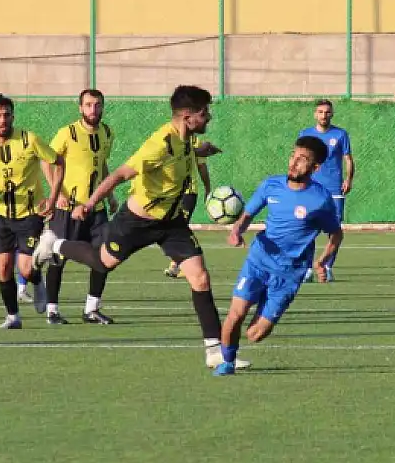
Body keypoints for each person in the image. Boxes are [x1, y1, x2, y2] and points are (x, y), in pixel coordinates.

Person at [34, 85, 248, 369]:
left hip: (171, 223)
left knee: (200, 278)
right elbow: (121, 173)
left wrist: (203, 148)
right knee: (102, 262)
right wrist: (90, 203)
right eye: (203, 112)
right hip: (137, 221)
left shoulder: (186, 138)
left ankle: (213, 351)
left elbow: (189, 150)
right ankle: (54, 244)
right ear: (187, 116)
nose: (208, 117)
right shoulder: (159, 144)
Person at [212, 136, 343, 376]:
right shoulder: (270, 186)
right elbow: (248, 214)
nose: (294, 162)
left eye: (302, 160)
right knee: (235, 314)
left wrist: (322, 261)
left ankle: (264, 313)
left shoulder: (321, 200)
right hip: (258, 261)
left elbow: (336, 234)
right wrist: (236, 231)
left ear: (315, 168)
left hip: (289, 274)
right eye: (293, 155)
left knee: (255, 335)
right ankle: (227, 362)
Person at [0, 92, 63, 328]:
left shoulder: (29, 140)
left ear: (13, 116)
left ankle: (36, 281)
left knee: (25, 268)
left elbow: (58, 162)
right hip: (1, 215)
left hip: (30, 214)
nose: (3, 120)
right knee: (4, 267)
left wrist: (53, 197)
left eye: (7, 115)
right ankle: (13, 317)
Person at [44, 89, 118, 324]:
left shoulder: (107, 132)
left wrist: (110, 195)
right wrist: (58, 195)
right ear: (80, 108)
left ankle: (91, 309)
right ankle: (52, 310)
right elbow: (47, 162)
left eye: (97, 105)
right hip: (69, 208)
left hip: (95, 210)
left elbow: (102, 165)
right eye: (88, 105)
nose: (93, 110)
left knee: (104, 257)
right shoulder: (68, 133)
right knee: (58, 256)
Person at [297, 99, 353, 283]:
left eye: (327, 112)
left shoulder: (340, 134)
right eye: (320, 112)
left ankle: (327, 266)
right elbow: (298, 159)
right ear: (315, 114)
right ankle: (306, 269)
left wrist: (348, 179)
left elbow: (348, 160)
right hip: (311, 188)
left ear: (332, 114)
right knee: (307, 229)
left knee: (334, 231)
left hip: (334, 189)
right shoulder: (306, 134)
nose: (324, 115)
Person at [164, 133, 213, 279]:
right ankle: (180, 262)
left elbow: (201, 166)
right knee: (175, 226)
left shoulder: (195, 141)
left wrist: (208, 188)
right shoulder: (169, 140)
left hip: (188, 192)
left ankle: (177, 264)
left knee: (181, 226)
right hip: (172, 191)